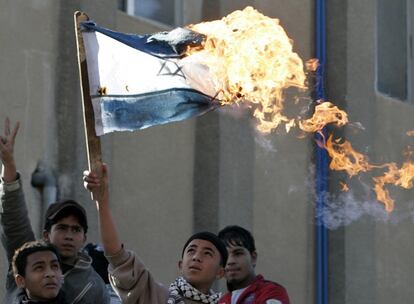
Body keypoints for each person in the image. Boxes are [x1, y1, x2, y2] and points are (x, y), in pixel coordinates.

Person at [0, 118, 110, 304]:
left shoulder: (93, 287)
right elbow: (13, 220)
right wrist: (9, 166)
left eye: (76, 230)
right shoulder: (25, 258)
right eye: (61, 228)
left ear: (84, 238)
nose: (68, 236)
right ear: (20, 279)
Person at [83, 163, 228, 304]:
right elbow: (117, 257)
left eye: (207, 253)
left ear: (220, 272)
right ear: (180, 265)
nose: (196, 257)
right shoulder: (156, 296)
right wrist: (102, 203)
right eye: (191, 251)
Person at [217, 225, 290, 304]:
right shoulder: (221, 301)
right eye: (225, 256)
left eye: (238, 254)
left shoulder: (272, 292)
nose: (230, 261)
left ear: (253, 258)